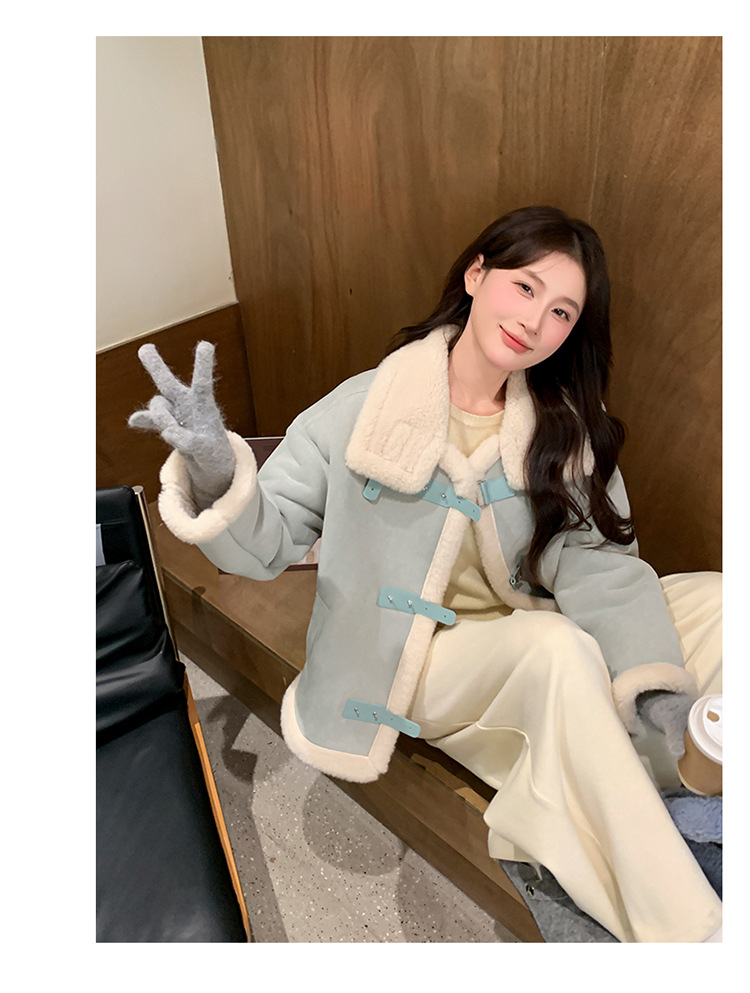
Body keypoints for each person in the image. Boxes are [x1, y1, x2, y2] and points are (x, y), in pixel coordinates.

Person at [129, 206, 722, 942]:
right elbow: (266, 545)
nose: (535, 321)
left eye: (562, 311)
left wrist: (655, 680)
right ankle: (694, 935)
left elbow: (597, 562)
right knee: (556, 650)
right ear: (477, 275)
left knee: (721, 600)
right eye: (525, 287)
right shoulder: (363, 406)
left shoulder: (563, 423)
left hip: (530, 626)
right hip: (412, 660)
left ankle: (700, 763)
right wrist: (218, 473)